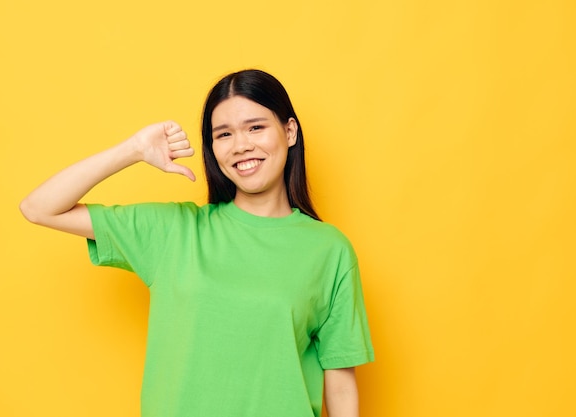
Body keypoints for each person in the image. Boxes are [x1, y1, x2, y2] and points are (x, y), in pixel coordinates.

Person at [20, 69, 374, 417]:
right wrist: (133, 150)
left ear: (289, 131)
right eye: (224, 134)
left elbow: (340, 381)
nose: (241, 146)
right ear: (212, 148)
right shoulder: (175, 231)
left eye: (256, 127)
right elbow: (39, 208)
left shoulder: (329, 250)